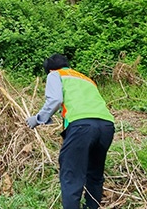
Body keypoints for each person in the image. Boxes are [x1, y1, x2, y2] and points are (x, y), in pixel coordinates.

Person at [26, 54, 115, 209]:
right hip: (107, 126)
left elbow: (55, 100)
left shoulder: (55, 74)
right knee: (94, 174)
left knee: (71, 175)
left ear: (50, 69)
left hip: (82, 126)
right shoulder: (86, 79)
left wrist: (38, 118)